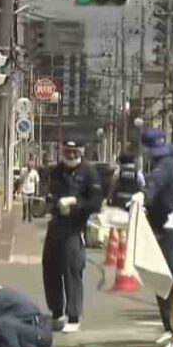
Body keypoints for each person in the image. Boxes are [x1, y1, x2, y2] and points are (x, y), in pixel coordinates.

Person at [130, 128, 173, 347]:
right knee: (164, 280)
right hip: (166, 226)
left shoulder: (164, 166)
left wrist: (143, 195)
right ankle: (171, 328)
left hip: (170, 228)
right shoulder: (169, 163)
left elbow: (154, 185)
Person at [42, 141, 104, 334]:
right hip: (56, 224)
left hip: (75, 227)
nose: (70, 155)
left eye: (74, 152)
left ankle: (73, 315)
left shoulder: (89, 172)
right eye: (67, 151)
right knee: (50, 268)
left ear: (81, 152)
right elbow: (49, 193)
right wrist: (51, 203)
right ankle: (56, 312)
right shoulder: (57, 171)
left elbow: (96, 202)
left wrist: (76, 204)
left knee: (72, 270)